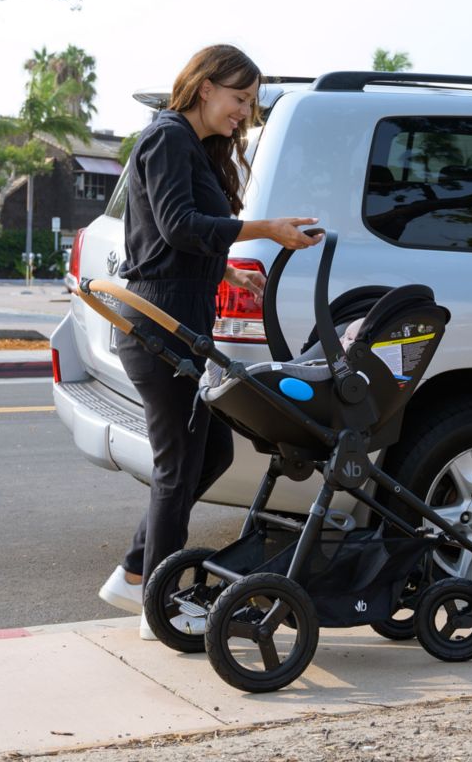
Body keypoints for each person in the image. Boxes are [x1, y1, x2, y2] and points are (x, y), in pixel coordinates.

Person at [97, 44, 322, 639]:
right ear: (205, 88)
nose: (244, 113)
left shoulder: (189, 144)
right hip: (160, 324)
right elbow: (178, 227)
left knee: (213, 453)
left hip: (180, 320)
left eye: (250, 103)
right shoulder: (168, 137)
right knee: (179, 466)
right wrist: (265, 229)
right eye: (239, 98)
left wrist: (224, 272)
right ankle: (160, 605)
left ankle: (137, 572)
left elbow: (164, 237)